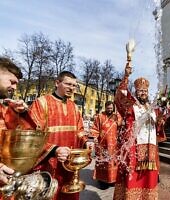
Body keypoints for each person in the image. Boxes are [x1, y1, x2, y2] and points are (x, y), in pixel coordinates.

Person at [113, 62, 169, 200]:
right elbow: (119, 97)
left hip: (151, 150)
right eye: (140, 91)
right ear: (136, 92)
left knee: (149, 179)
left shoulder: (153, 108)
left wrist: (161, 121)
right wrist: (126, 75)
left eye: (145, 91)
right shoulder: (130, 106)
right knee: (133, 179)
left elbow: (158, 127)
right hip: (134, 149)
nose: (143, 93)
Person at [29, 71, 87, 200]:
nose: (71, 88)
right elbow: (33, 135)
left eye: (74, 85)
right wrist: (54, 149)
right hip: (48, 163)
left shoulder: (74, 107)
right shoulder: (42, 103)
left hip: (69, 164)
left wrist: (86, 142)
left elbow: (80, 131)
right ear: (57, 83)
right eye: (68, 84)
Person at [0, 57, 34, 187]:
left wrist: (21, 114)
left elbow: (25, 139)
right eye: (12, 81)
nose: (14, 87)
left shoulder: (4, 110)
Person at [90, 101, 122, 189]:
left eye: (111, 108)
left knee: (112, 162)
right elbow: (95, 128)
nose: (110, 110)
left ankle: (112, 179)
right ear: (105, 108)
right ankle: (102, 181)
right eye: (108, 108)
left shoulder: (116, 117)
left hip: (114, 145)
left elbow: (121, 125)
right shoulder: (100, 117)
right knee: (102, 162)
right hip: (102, 145)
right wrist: (95, 138)